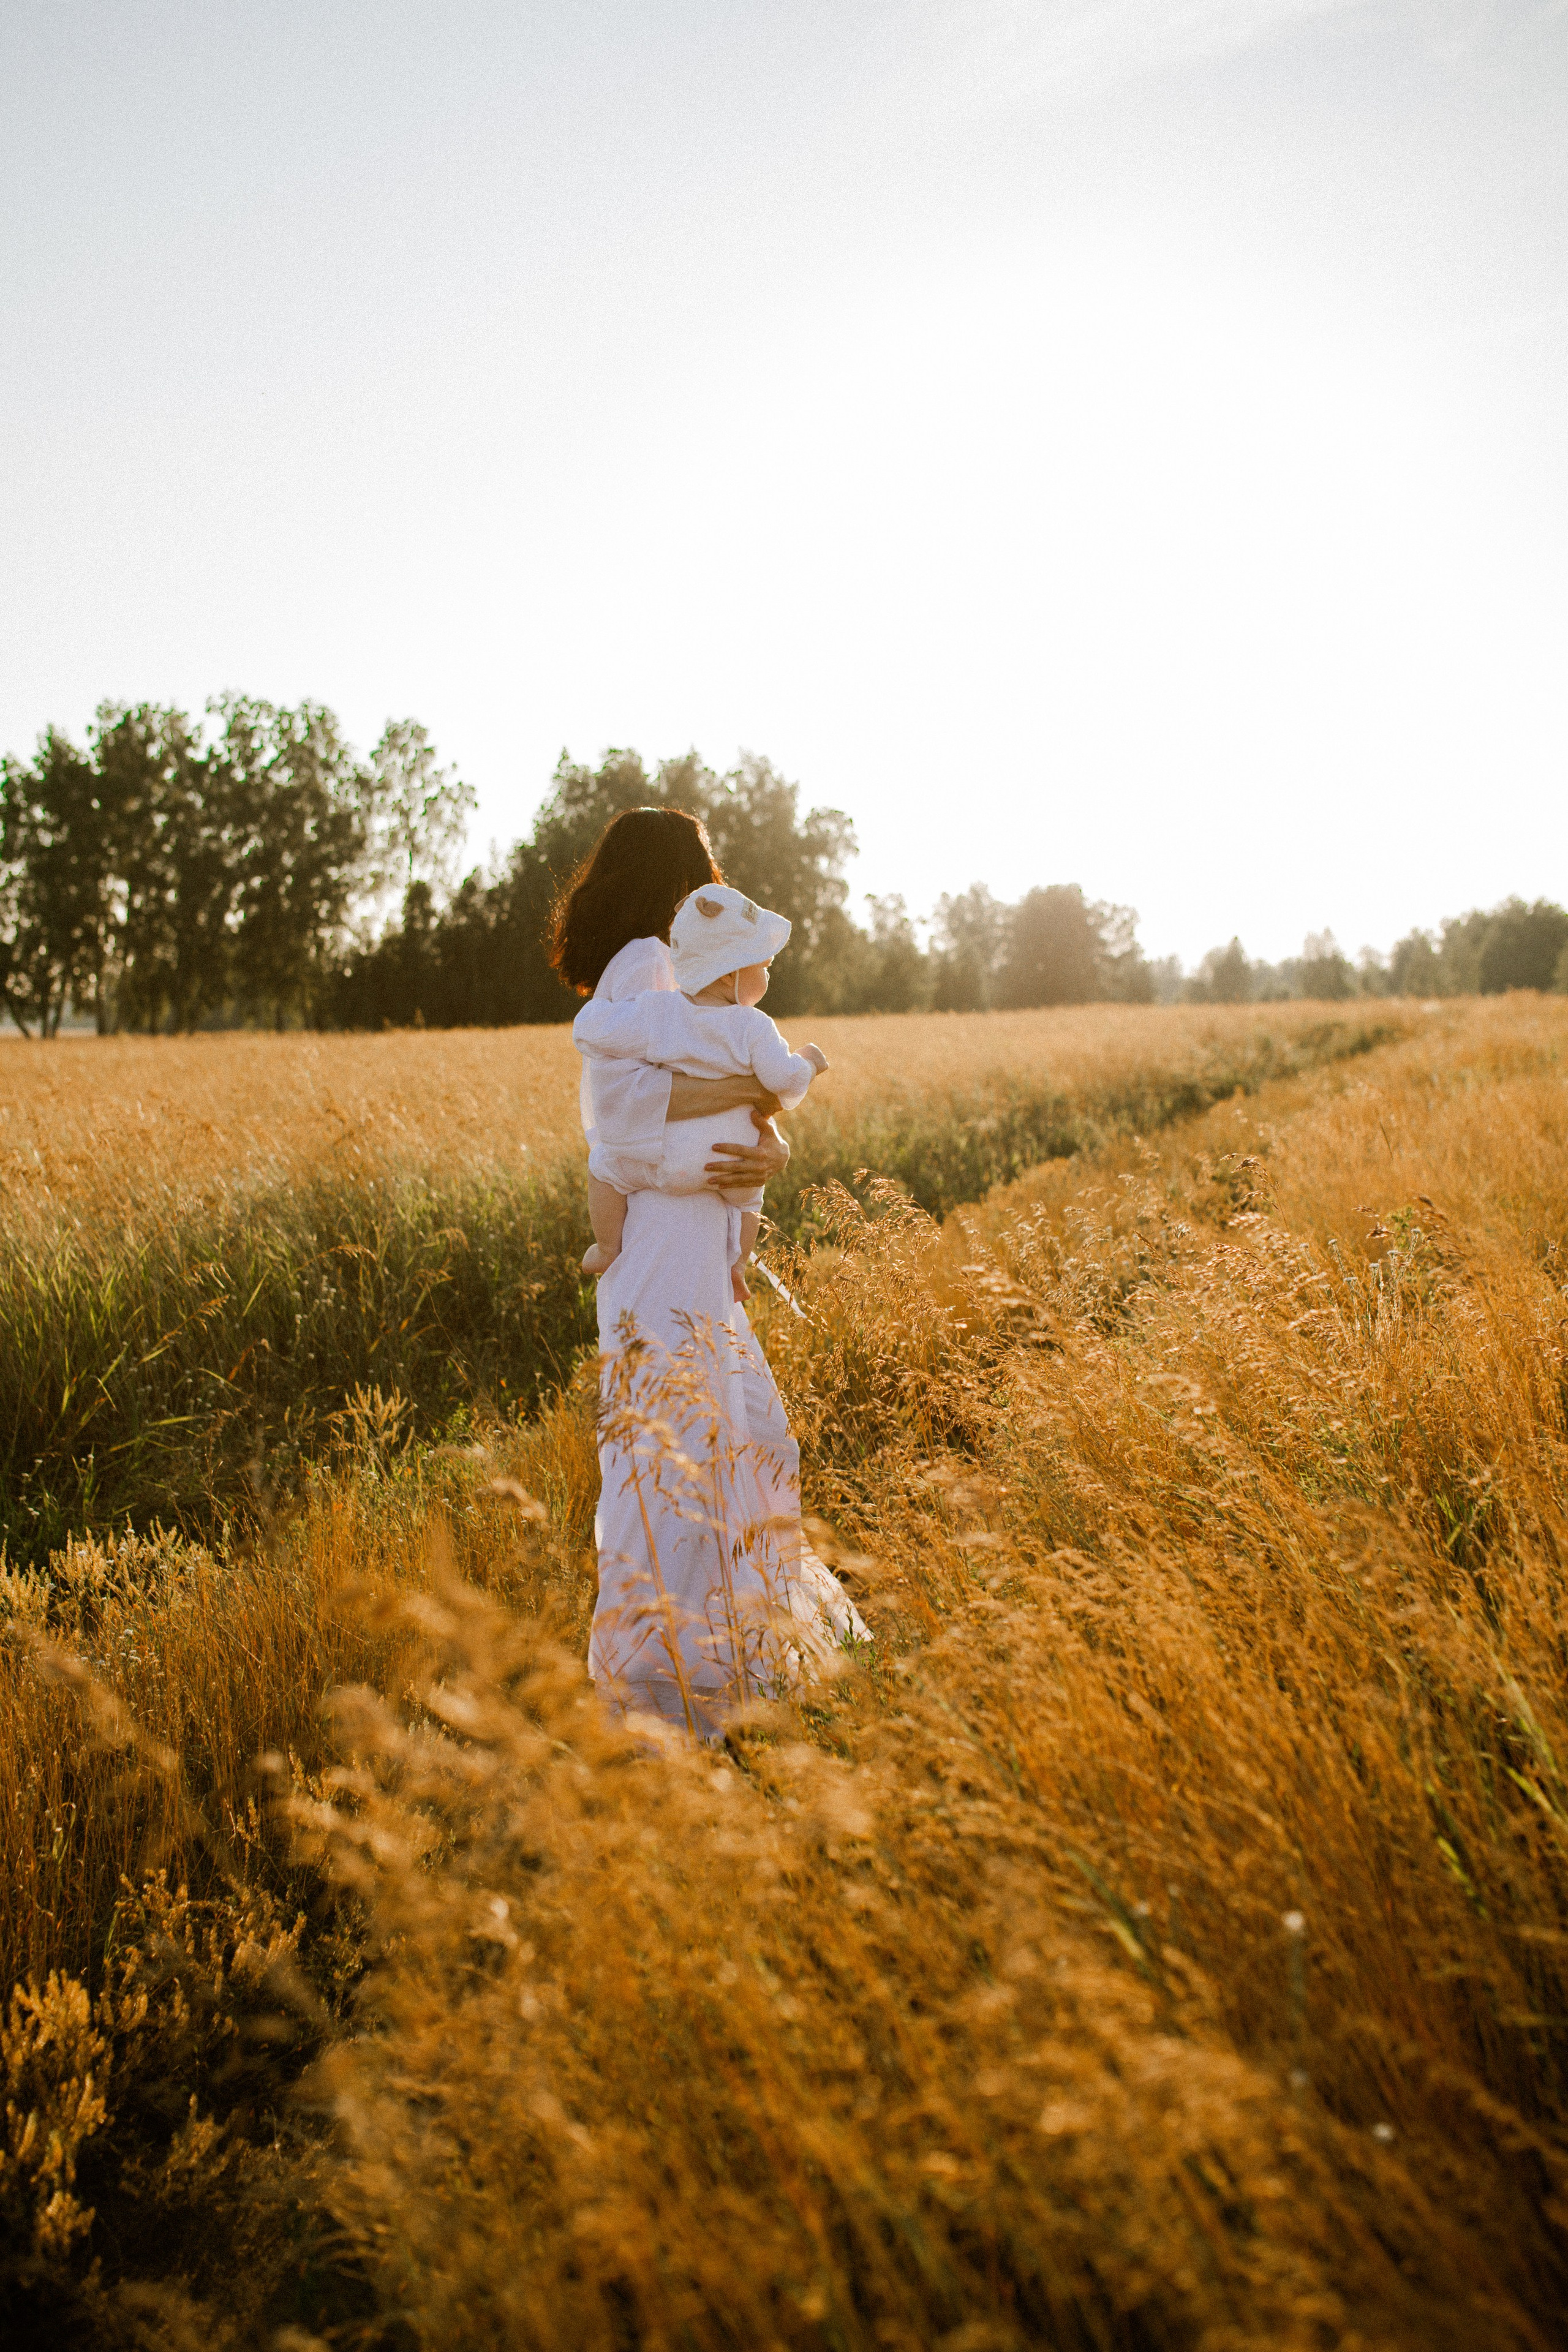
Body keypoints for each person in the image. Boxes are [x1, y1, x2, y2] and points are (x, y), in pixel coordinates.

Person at [548, 807, 869, 1739]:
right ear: (678, 883)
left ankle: (713, 1662)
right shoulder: (652, 963)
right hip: (664, 1247)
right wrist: (767, 1090)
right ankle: (689, 1683)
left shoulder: (643, 964)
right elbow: (627, 1116)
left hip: (679, 1243)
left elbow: (696, 1107)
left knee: (706, 1450)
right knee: (683, 1457)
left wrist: (767, 1141)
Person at [573, 882, 830, 1302]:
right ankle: (738, 1269)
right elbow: (784, 1081)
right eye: (764, 965)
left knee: (603, 1165)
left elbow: (589, 1030)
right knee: (751, 1200)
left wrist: (604, 1013)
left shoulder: (660, 1012)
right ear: (731, 972)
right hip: (729, 1165)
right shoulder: (754, 1025)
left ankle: (606, 1247)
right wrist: (811, 1061)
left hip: (663, 1160)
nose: (768, 975)